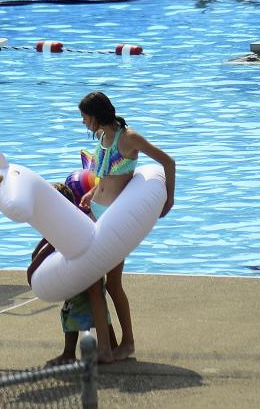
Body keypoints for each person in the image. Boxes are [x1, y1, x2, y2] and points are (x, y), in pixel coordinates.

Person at [76, 91, 175, 361]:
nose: (84, 123)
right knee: (98, 284)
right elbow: (105, 177)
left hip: (115, 219)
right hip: (96, 211)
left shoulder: (129, 138)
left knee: (110, 284)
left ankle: (125, 344)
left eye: (85, 117)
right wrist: (91, 192)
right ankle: (108, 347)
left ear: (96, 116)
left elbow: (168, 162)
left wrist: (169, 198)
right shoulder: (102, 137)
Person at [28, 183, 116, 366]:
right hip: (89, 270)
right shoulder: (67, 220)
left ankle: (69, 353)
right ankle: (112, 345)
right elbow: (46, 241)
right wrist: (35, 257)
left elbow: (51, 245)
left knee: (72, 311)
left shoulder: (64, 223)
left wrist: (32, 268)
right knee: (98, 310)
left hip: (81, 274)